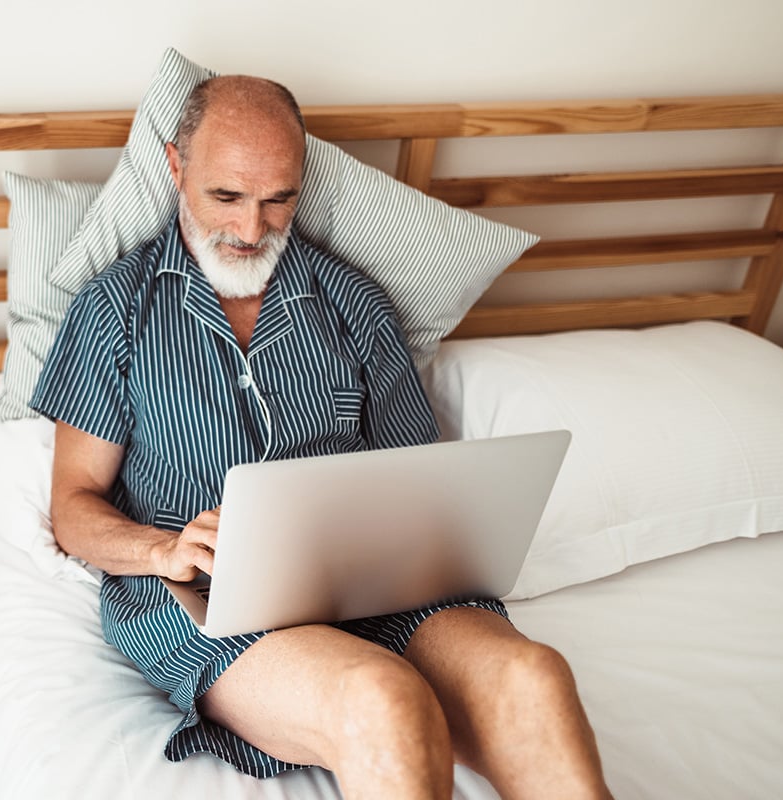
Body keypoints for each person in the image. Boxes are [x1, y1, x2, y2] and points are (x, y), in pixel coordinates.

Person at [31, 74, 613, 799]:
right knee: (383, 697)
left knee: (534, 675)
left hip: (376, 582)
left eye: (279, 199)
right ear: (176, 167)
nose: (251, 230)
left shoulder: (355, 304)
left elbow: (417, 478)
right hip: (209, 599)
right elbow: (73, 504)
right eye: (226, 197)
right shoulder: (116, 310)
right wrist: (162, 549)